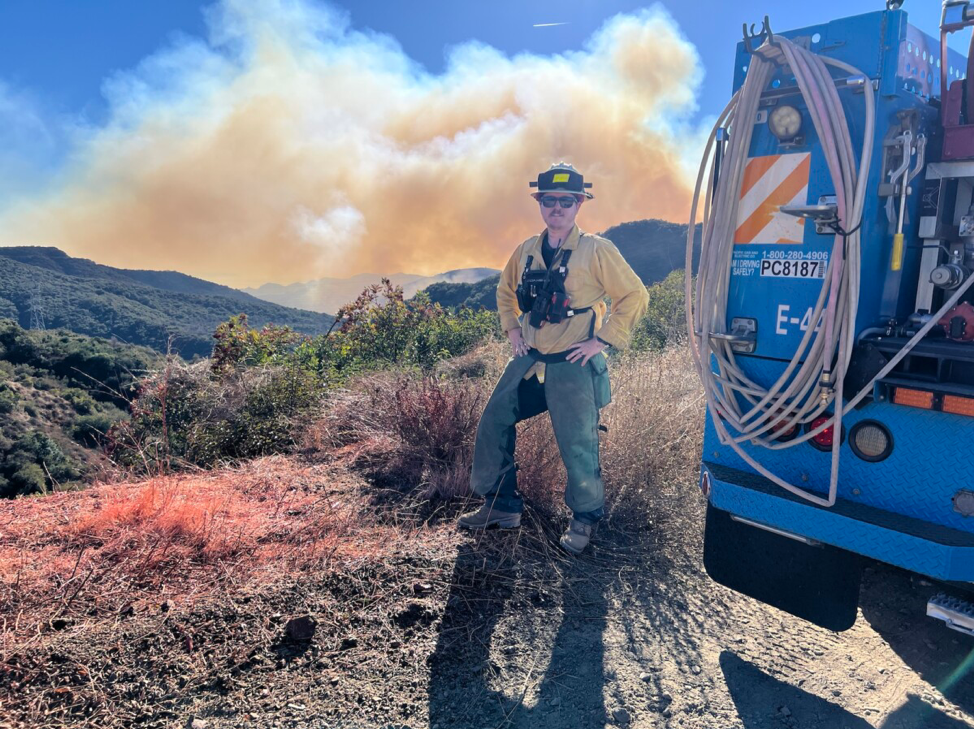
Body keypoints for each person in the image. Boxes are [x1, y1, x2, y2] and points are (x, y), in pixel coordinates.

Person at [458, 162, 649, 554]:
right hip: (531, 360)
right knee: (493, 421)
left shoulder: (596, 250)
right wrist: (512, 330)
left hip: (573, 363)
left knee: (578, 443)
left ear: (579, 203)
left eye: (565, 201)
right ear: (539, 203)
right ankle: (501, 506)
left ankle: (584, 520)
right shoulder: (527, 250)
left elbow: (635, 295)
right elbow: (504, 290)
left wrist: (602, 340)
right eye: (549, 200)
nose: (557, 208)